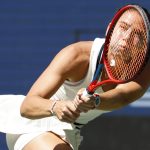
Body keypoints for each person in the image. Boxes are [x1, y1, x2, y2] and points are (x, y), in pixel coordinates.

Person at [5, 5, 150, 150]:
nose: (126, 38)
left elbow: (121, 97)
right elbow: (27, 107)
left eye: (137, 34)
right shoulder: (76, 55)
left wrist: (95, 101)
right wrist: (56, 107)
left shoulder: (142, 71)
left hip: (69, 132)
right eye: (123, 28)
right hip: (32, 124)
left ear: (145, 44)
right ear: (110, 29)